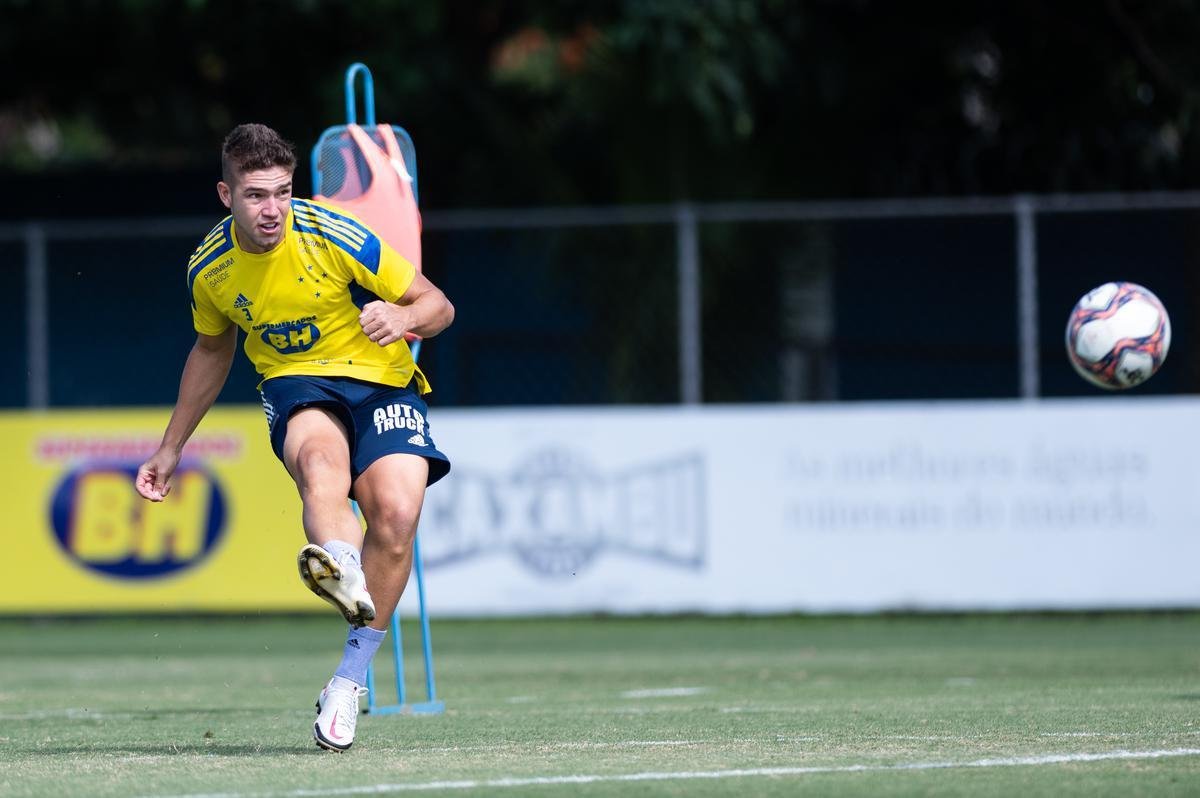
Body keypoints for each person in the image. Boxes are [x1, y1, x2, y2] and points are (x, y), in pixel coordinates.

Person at [135, 123, 454, 752]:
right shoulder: (211, 269)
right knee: (318, 461)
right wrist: (171, 447)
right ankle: (344, 565)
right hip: (295, 382)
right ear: (226, 195)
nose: (272, 209)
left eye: (282, 192)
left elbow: (438, 306)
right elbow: (211, 351)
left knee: (397, 514)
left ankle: (348, 680)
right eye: (256, 195)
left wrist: (403, 315)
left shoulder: (333, 234)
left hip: (384, 382)